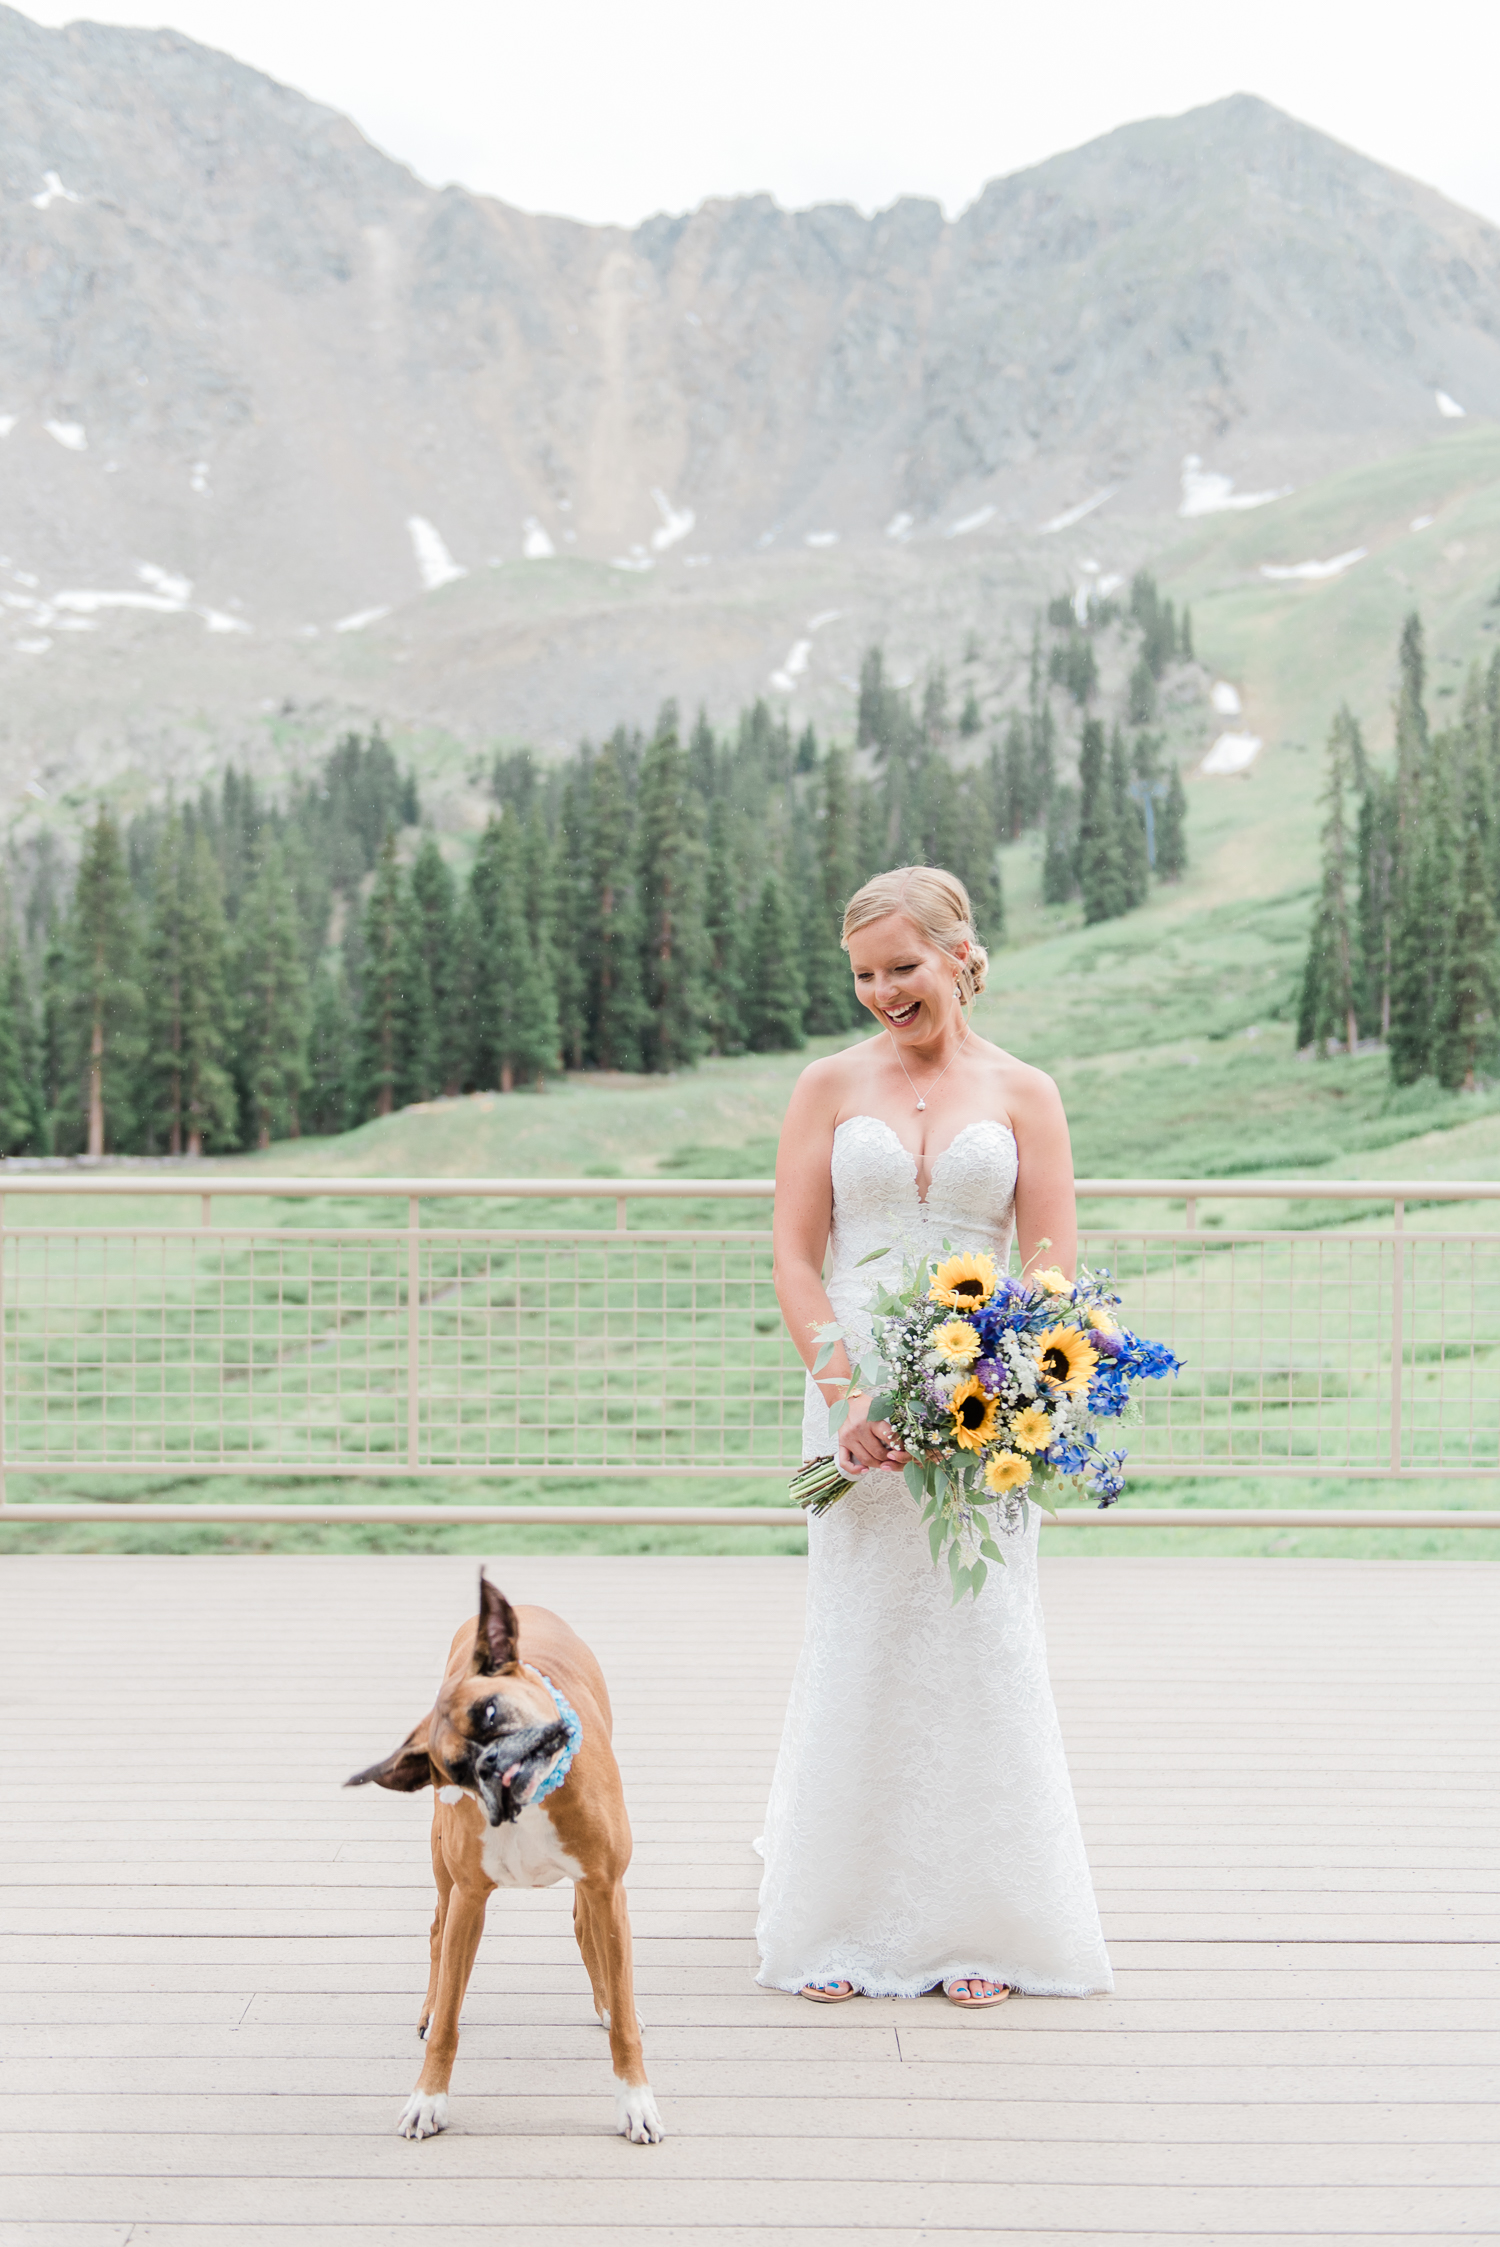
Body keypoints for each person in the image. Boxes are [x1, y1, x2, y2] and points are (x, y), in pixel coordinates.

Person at [755, 864, 1112, 2008]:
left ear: (960, 955)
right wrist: (844, 1390)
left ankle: (980, 1924)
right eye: (862, 974)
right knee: (858, 1628)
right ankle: (840, 1919)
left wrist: (998, 1389)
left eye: (901, 967)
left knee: (977, 1631)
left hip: (982, 1403)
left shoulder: (1026, 1093)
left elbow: (1049, 1271)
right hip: (851, 1395)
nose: (880, 993)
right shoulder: (825, 1085)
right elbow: (796, 1257)